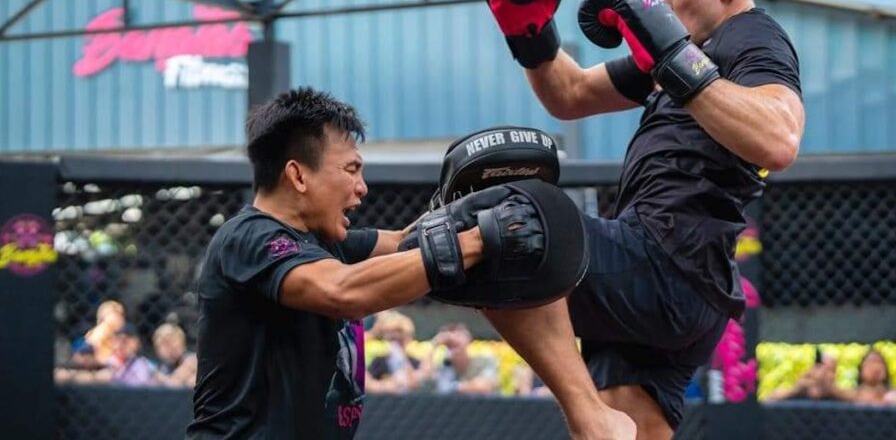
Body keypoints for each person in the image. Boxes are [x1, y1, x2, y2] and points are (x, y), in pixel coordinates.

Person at [478, 0, 804, 437]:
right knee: (632, 417)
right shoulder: (678, 51)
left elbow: (779, 138)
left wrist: (677, 59)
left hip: (666, 263)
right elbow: (570, 93)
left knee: (507, 227)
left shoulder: (750, 36)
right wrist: (528, 28)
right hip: (674, 282)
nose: (659, 3)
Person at [188, 88, 634, 440]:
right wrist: (483, 238)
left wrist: (466, 208)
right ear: (298, 175)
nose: (362, 188)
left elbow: (407, 244)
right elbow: (343, 292)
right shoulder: (247, 239)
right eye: (351, 170)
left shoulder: (328, 243)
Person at [151, 323, 198, 388]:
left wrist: (161, 378)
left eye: (170, 342)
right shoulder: (163, 367)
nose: (168, 348)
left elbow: (173, 384)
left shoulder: (192, 360)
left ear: (181, 341)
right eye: (160, 345)